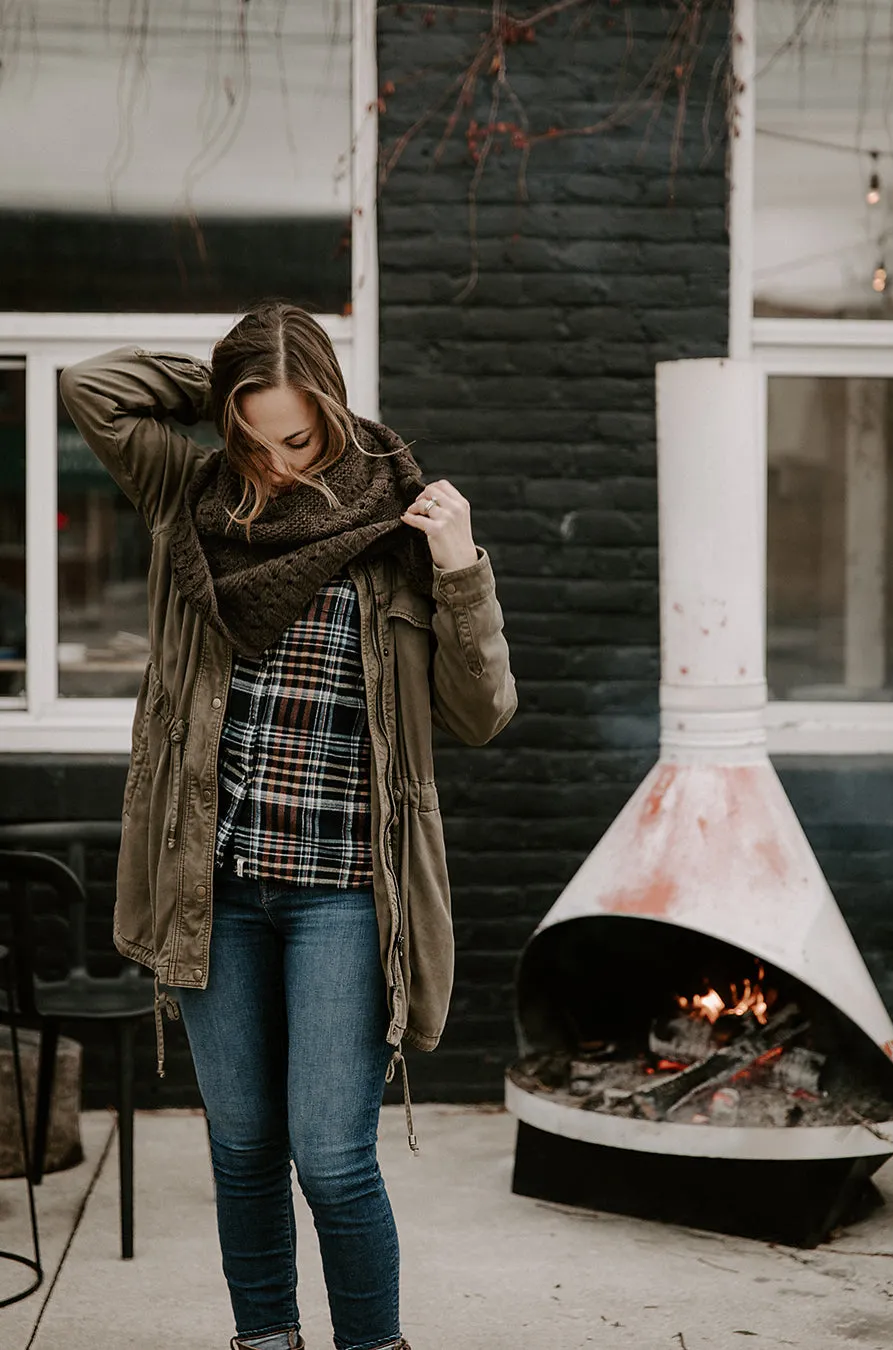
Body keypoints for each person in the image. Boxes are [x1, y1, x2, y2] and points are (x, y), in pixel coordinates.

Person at [59, 301, 516, 1350]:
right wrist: (227, 382)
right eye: (248, 438)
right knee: (244, 1145)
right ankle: (266, 1339)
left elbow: (480, 715)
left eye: (296, 437)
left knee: (332, 1154)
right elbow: (92, 387)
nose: (271, 465)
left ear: (336, 410)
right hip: (209, 887)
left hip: (343, 893)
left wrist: (460, 570)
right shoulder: (189, 495)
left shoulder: (399, 528)